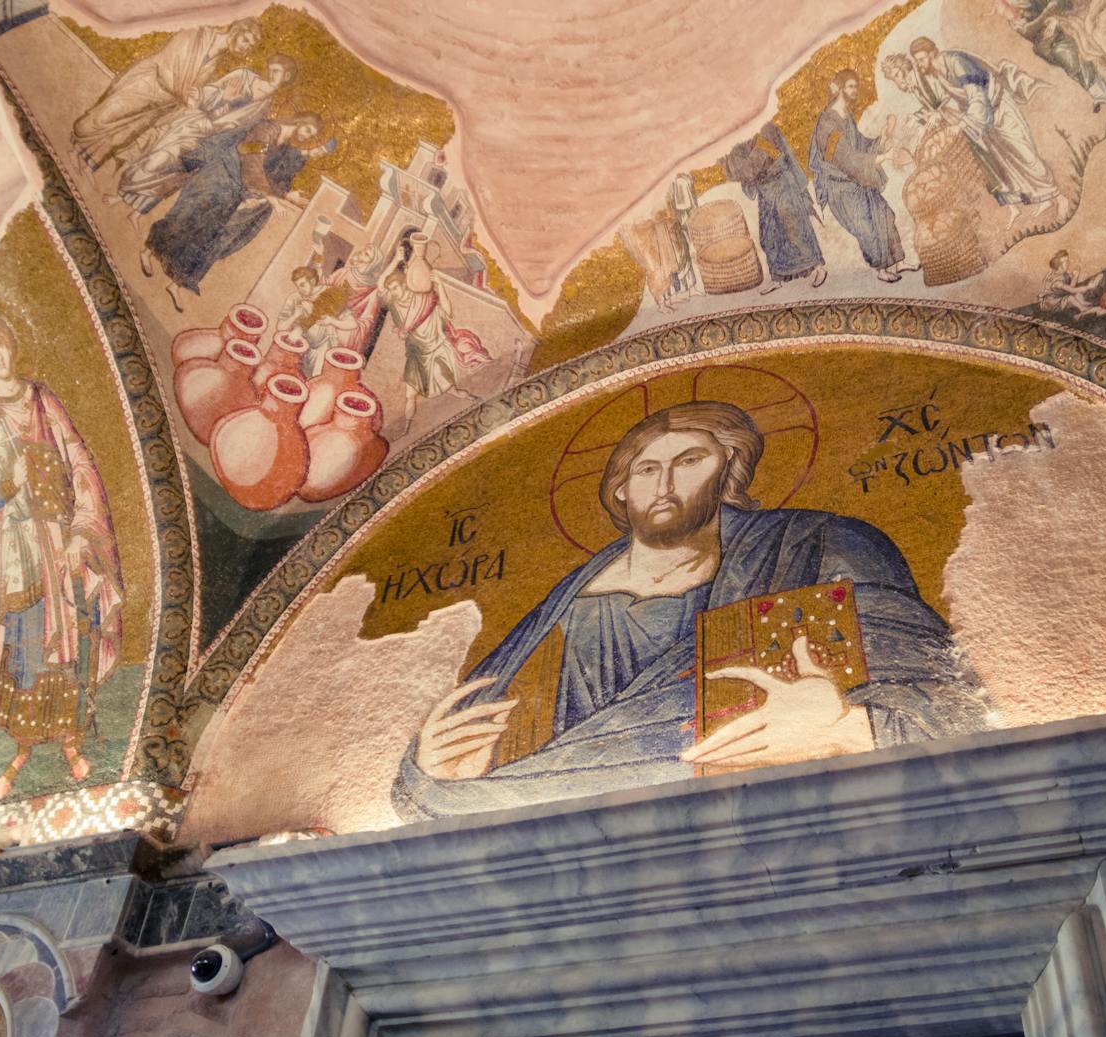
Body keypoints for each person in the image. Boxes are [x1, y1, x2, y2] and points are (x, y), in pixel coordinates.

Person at [392, 400, 989, 820]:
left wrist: (851, 728)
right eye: (646, 470)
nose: (664, 484)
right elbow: (475, 739)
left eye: (689, 462)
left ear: (730, 470)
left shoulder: (816, 546)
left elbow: (950, 700)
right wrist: (430, 775)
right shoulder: (563, 605)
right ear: (621, 490)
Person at [0, 309, 123, 801]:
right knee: (30, 640)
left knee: (72, 636)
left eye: (0, 342)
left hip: (61, 535)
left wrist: (81, 531)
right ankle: (23, 748)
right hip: (22, 548)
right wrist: (10, 478)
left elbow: (78, 459)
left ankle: (72, 741)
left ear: (11, 342)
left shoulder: (42, 399)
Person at [139, 111, 336, 311]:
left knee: (202, 233)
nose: (306, 136)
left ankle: (176, 280)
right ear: (299, 122)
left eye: (311, 136)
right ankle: (147, 252)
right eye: (308, 130)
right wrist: (272, 198)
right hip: (220, 176)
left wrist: (282, 194)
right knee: (186, 216)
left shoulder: (283, 144)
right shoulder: (267, 130)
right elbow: (250, 160)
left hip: (232, 189)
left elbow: (267, 172)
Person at [906, 38, 1067, 224]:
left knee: (1025, 155)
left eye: (921, 59)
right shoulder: (938, 74)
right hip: (988, 119)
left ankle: (1060, 198)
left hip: (999, 108)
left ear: (932, 54)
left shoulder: (956, 62)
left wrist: (962, 124)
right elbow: (959, 101)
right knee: (1011, 162)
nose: (919, 65)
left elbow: (976, 97)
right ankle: (1045, 198)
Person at [117, 54, 298, 216]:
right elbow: (208, 93)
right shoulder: (244, 76)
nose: (271, 74)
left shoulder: (265, 107)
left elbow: (246, 133)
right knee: (161, 159)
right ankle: (123, 191)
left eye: (277, 71)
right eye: (271, 69)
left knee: (177, 175)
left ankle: (134, 206)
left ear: (287, 77)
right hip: (200, 125)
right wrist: (224, 99)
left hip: (215, 141)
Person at [70, 18, 262, 172]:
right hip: (149, 83)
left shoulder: (216, 61)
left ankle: (83, 159)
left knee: (124, 133)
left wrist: (195, 96)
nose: (246, 47)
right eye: (246, 40)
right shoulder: (197, 33)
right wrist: (186, 93)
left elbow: (193, 86)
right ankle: (74, 148)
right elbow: (167, 65)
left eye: (250, 45)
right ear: (236, 30)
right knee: (107, 115)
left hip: (165, 102)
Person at [380, 233, 493, 432]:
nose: (393, 291)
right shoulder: (395, 305)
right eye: (392, 289)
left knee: (453, 389)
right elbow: (381, 284)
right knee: (410, 394)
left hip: (434, 353)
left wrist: (440, 286)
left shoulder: (426, 301)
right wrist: (396, 260)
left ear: (405, 284)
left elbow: (448, 312)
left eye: (395, 287)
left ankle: (476, 400)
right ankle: (406, 429)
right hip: (415, 355)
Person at [809, 70, 909, 282]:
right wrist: (883, 157)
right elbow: (846, 158)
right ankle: (881, 269)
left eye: (856, 86)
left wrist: (882, 138)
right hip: (841, 185)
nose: (855, 91)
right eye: (850, 86)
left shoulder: (847, 116)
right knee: (865, 226)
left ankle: (898, 262)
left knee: (885, 213)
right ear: (839, 88)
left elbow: (860, 144)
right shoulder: (828, 122)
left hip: (858, 178)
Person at [724, 122, 827, 294]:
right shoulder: (738, 141)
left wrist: (741, 165)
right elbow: (735, 169)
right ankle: (777, 277)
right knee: (769, 234)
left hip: (782, 183)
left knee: (795, 227)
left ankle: (818, 268)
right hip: (765, 189)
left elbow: (750, 167)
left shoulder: (765, 129)